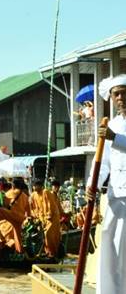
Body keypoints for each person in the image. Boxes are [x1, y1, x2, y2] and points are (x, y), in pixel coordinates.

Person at [86, 74, 126, 294]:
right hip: (114, 196)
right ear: (111, 98)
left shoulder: (112, 131)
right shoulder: (112, 124)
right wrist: (92, 184)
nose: (120, 98)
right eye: (116, 94)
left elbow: (115, 141)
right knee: (109, 245)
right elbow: (102, 161)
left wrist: (115, 138)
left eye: (124, 93)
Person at [0, 177, 30, 253]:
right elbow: (28, 213)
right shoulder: (25, 197)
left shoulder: (7, 194)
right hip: (20, 222)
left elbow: (4, 207)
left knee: (4, 236)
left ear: (13, 185)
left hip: (8, 222)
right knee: (18, 239)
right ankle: (18, 251)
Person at [28, 179, 61, 257]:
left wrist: (48, 216)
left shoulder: (45, 192)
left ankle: (52, 253)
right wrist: (34, 216)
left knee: (48, 234)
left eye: (35, 186)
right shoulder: (33, 195)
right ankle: (46, 251)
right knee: (40, 235)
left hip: (51, 218)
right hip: (41, 218)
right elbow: (31, 207)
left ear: (40, 186)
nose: (34, 187)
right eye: (33, 186)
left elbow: (51, 205)